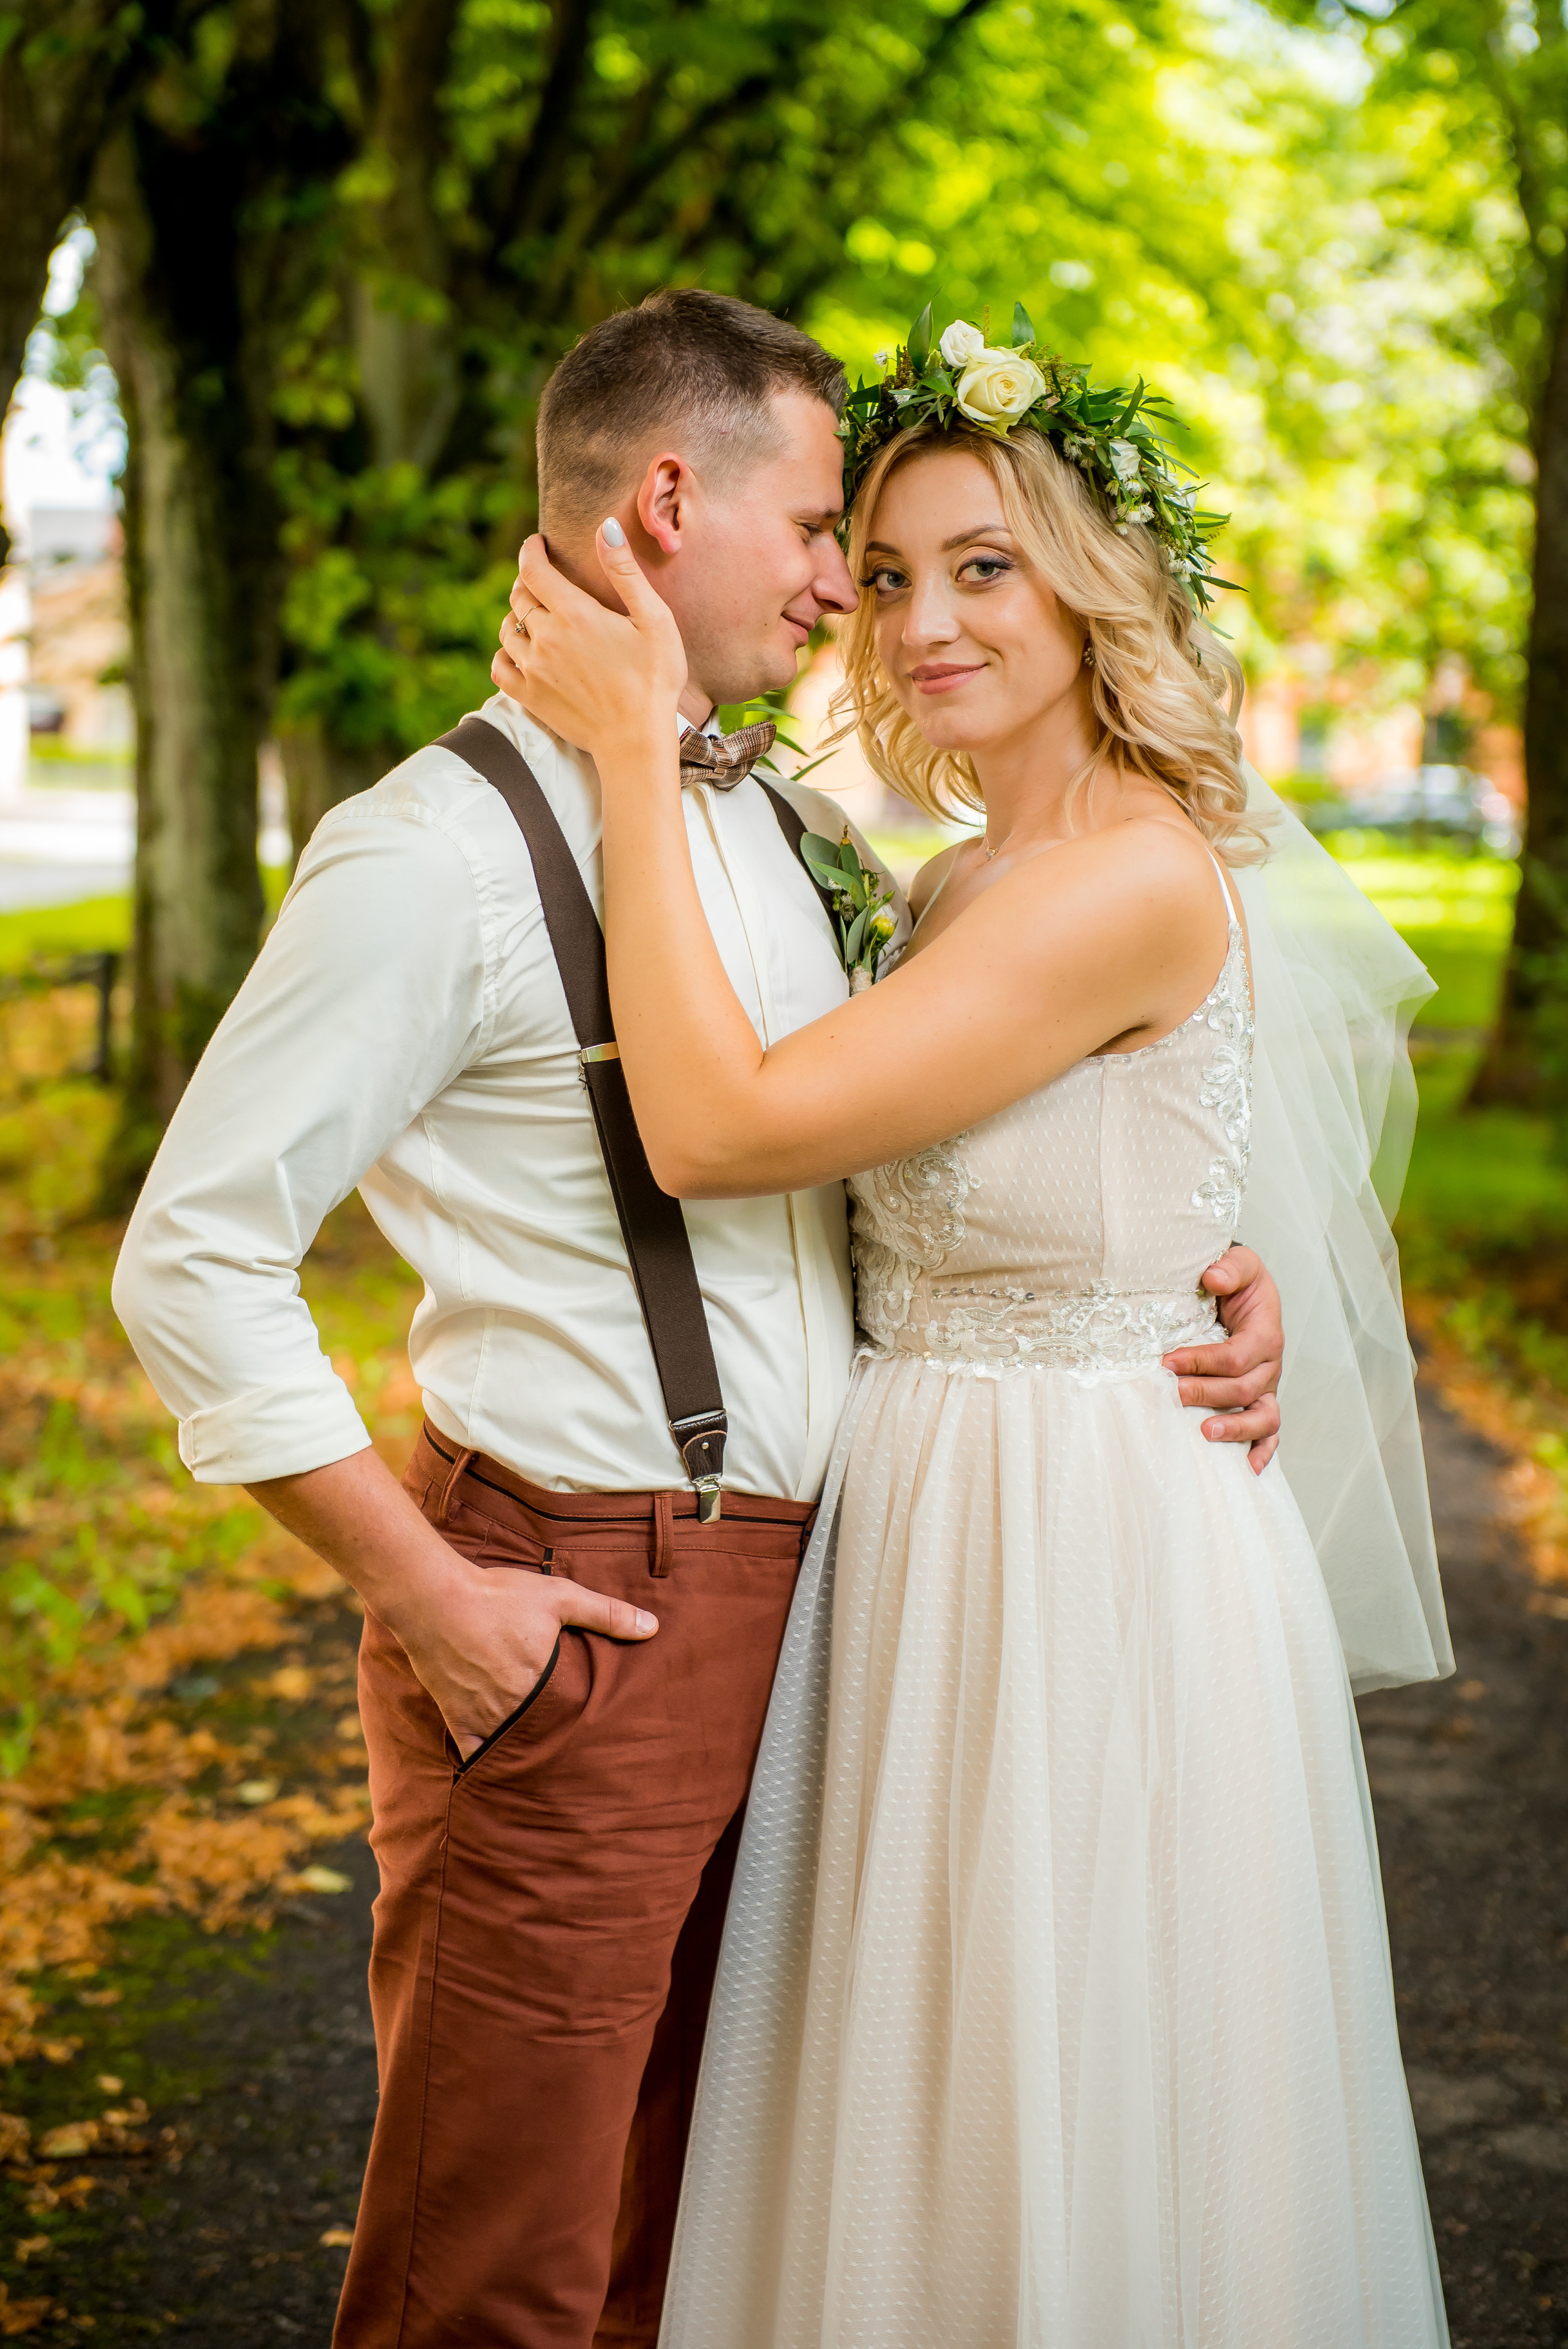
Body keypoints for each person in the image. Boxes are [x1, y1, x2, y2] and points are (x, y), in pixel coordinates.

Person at [110, 290, 1286, 2349]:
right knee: (506, 2264)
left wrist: (1186, 1257)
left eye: (924, 558)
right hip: (578, 1603)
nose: (856, 592)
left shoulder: (777, 823)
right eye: (838, 531)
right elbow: (193, 1253)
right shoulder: (430, 854)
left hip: (847, 1621)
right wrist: (425, 1588)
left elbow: (964, 1119)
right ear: (672, 499)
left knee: (710, 2237)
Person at [497, 314, 1452, 2345]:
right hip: (929, 1531)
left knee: (1068, 2077)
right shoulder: (944, 890)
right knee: (915, 2094)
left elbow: (717, 1124)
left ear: (1097, 582)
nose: (924, 620)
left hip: (1083, 1555)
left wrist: (622, 753)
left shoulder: (1115, 881)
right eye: (898, 568)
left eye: (987, 565)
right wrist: (1199, 1248)